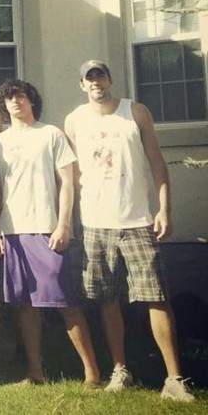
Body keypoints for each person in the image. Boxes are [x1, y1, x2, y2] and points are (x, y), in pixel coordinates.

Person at [64, 60, 194, 402]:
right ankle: (121, 370)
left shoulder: (135, 112)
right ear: (82, 85)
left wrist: (163, 209)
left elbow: (157, 164)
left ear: (110, 79)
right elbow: (72, 175)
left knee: (156, 297)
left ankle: (174, 378)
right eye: (89, 78)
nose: (96, 83)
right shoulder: (75, 120)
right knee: (107, 299)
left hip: (137, 220)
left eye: (101, 76)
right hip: (95, 222)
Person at [0, 79, 100, 387]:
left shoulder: (51, 134)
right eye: (9, 99)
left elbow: (67, 183)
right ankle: (35, 373)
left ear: (31, 100)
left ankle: (92, 373)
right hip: (13, 233)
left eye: (20, 96)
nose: (15, 102)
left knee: (66, 303)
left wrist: (63, 225)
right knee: (25, 305)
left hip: (48, 230)